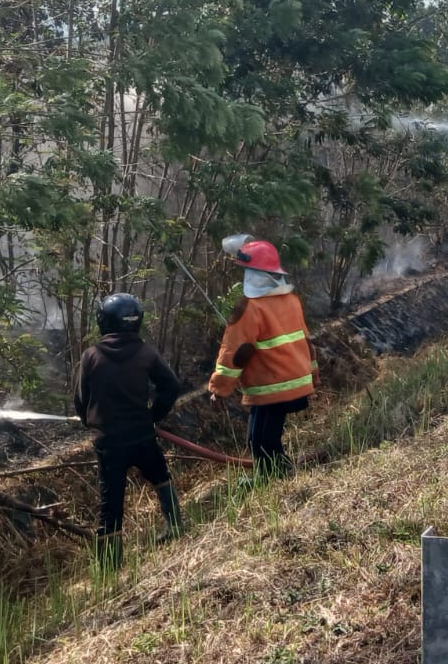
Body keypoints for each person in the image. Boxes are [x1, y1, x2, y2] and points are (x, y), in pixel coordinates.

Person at [75, 293, 183, 564]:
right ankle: (176, 526)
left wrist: (90, 421)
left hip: (109, 443)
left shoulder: (91, 356)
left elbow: (80, 400)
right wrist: (153, 416)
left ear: (105, 322)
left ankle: (110, 566)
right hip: (142, 435)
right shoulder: (146, 352)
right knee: (160, 476)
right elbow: (171, 386)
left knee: (111, 502)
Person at [207, 234, 316, 474]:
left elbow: (234, 354)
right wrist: (313, 376)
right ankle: (273, 473)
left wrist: (219, 389)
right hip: (295, 383)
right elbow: (307, 342)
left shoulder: (250, 308)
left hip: (271, 389)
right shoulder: (292, 300)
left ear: (252, 274)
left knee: (261, 441)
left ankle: (273, 477)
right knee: (264, 437)